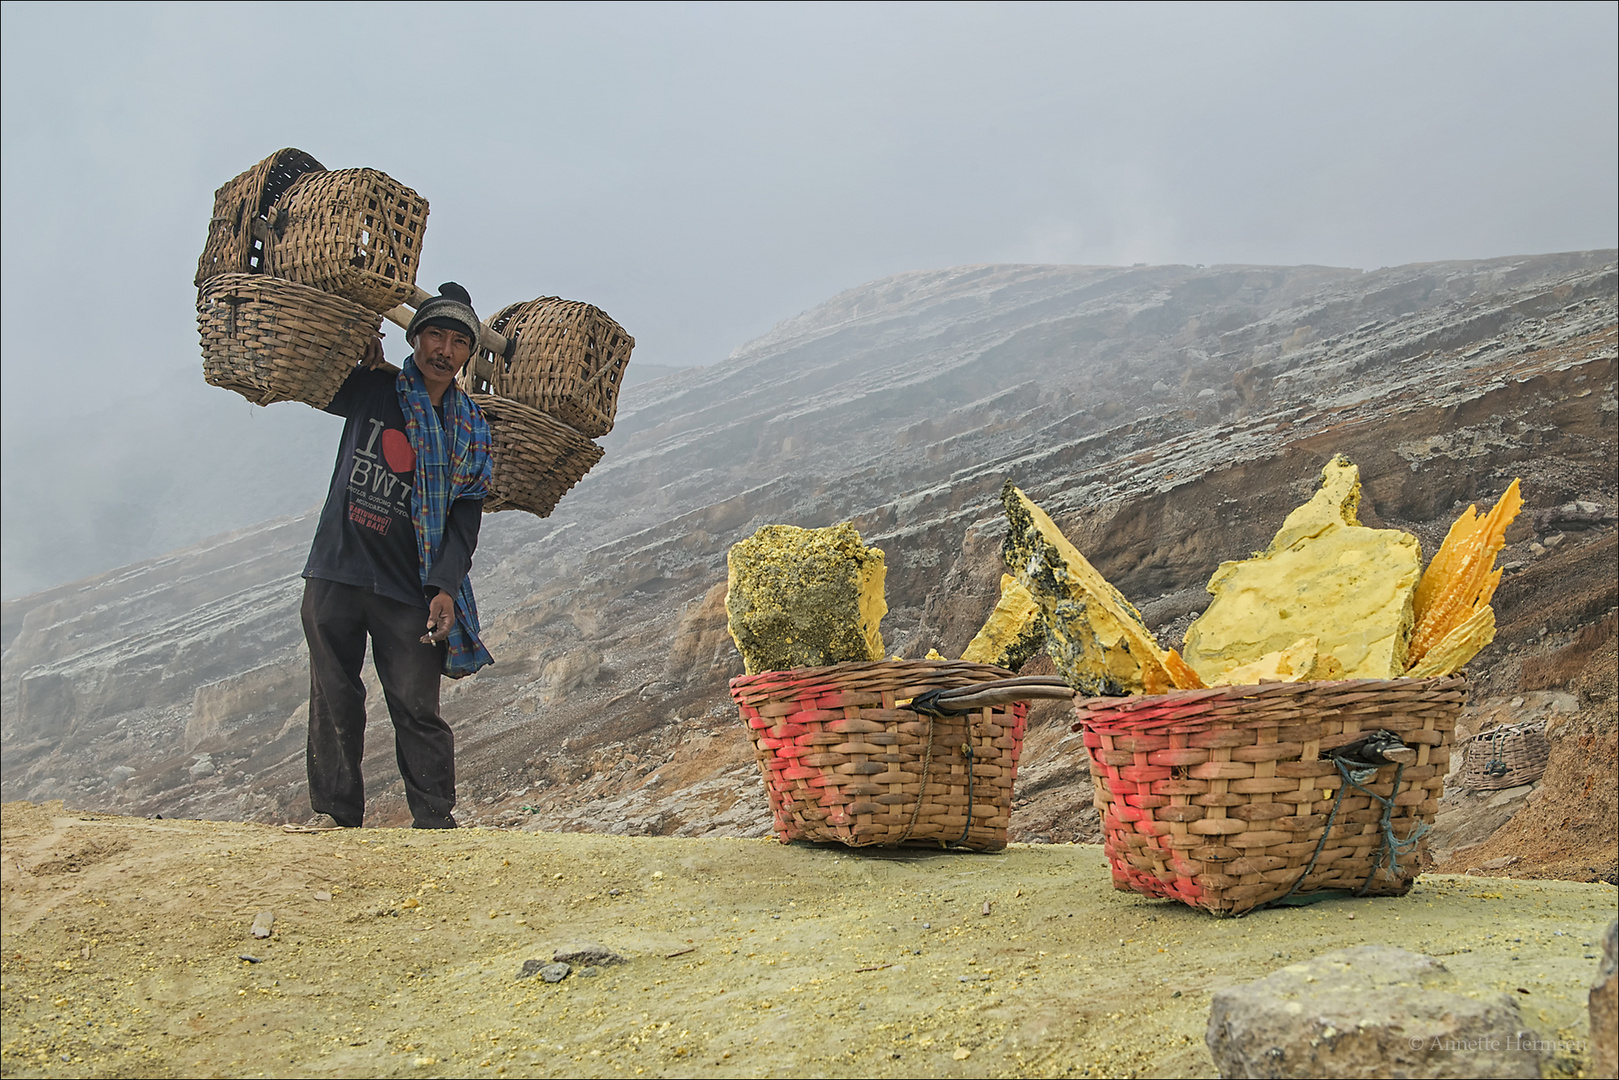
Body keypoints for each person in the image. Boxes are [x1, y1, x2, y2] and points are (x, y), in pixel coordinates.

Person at [297, 282, 495, 830]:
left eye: (458, 341)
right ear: (413, 338)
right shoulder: (372, 390)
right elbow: (313, 377)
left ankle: (435, 821)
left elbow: (464, 518)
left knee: (416, 705)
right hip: (337, 570)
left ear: (468, 354)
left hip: (410, 587)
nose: (445, 350)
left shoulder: (471, 430)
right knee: (334, 695)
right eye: (435, 334)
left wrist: (445, 587)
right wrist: (352, 345)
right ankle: (339, 818)